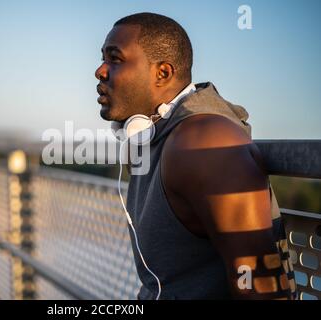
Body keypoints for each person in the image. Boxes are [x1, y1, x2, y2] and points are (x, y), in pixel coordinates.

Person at [95, 12, 296, 300]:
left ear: (162, 73)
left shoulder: (205, 143)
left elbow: (259, 287)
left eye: (115, 58)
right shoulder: (156, 137)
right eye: (103, 58)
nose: (100, 70)